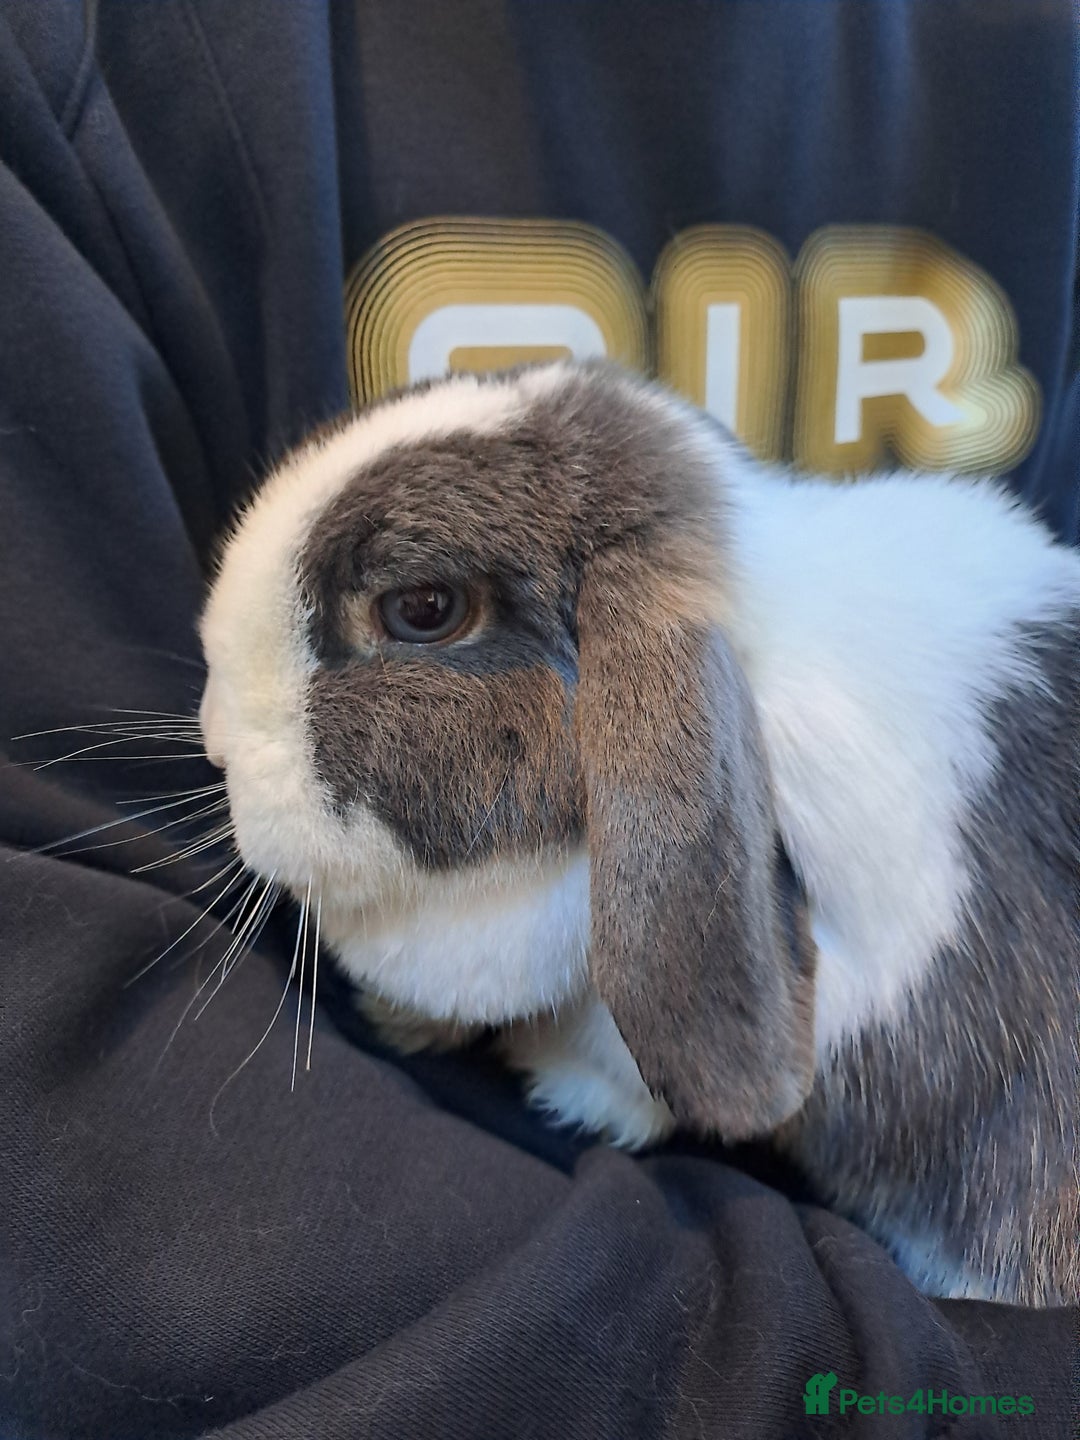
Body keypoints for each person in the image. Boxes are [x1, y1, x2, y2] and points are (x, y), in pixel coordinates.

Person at [0, 3, 1075, 1436]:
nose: (212, 738)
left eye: (419, 613)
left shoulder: (1034, 64)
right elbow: (81, 1123)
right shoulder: (99, 73)